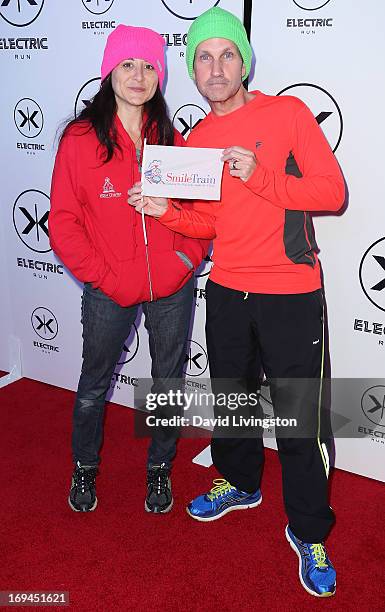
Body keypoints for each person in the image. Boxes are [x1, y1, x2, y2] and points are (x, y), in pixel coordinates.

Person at [128, 7, 345, 598]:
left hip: (291, 292)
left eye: (227, 54)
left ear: (244, 62)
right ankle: (240, 480)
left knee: (301, 421)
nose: (216, 67)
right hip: (226, 289)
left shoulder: (288, 113)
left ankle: (309, 529)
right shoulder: (196, 138)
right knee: (233, 401)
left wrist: (263, 175)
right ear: (192, 69)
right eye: (204, 56)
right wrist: (164, 210)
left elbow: (332, 191)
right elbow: (206, 224)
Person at [49, 24, 208, 514]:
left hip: (172, 287)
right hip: (107, 287)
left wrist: (185, 259)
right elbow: (64, 222)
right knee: (95, 383)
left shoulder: (171, 137)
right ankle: (84, 468)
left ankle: (159, 471)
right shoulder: (79, 138)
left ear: (159, 74)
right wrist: (107, 278)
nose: (138, 76)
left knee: (167, 382)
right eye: (127, 65)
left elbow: (197, 215)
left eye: (148, 66)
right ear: (109, 72)